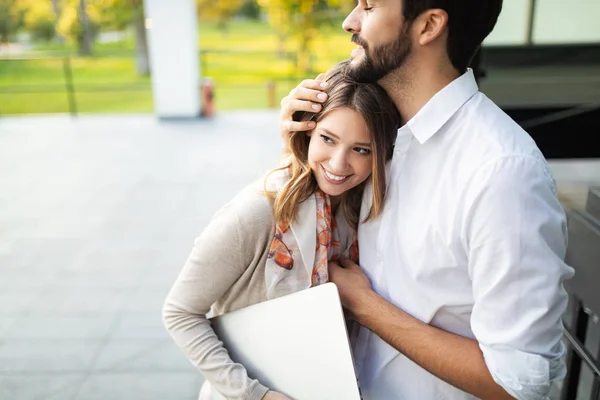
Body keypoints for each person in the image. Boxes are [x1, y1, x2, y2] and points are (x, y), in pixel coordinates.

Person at [280, 1, 574, 399]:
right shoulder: (375, 134)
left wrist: (363, 305)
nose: (350, 22)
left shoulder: (501, 172)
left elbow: (516, 384)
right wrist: (299, 150)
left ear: (429, 26)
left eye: (368, 6)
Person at [162, 61, 399, 400]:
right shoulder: (257, 213)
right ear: (306, 133)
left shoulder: (357, 209)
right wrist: (255, 395)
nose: (338, 164)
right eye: (327, 139)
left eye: (360, 149)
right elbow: (180, 312)